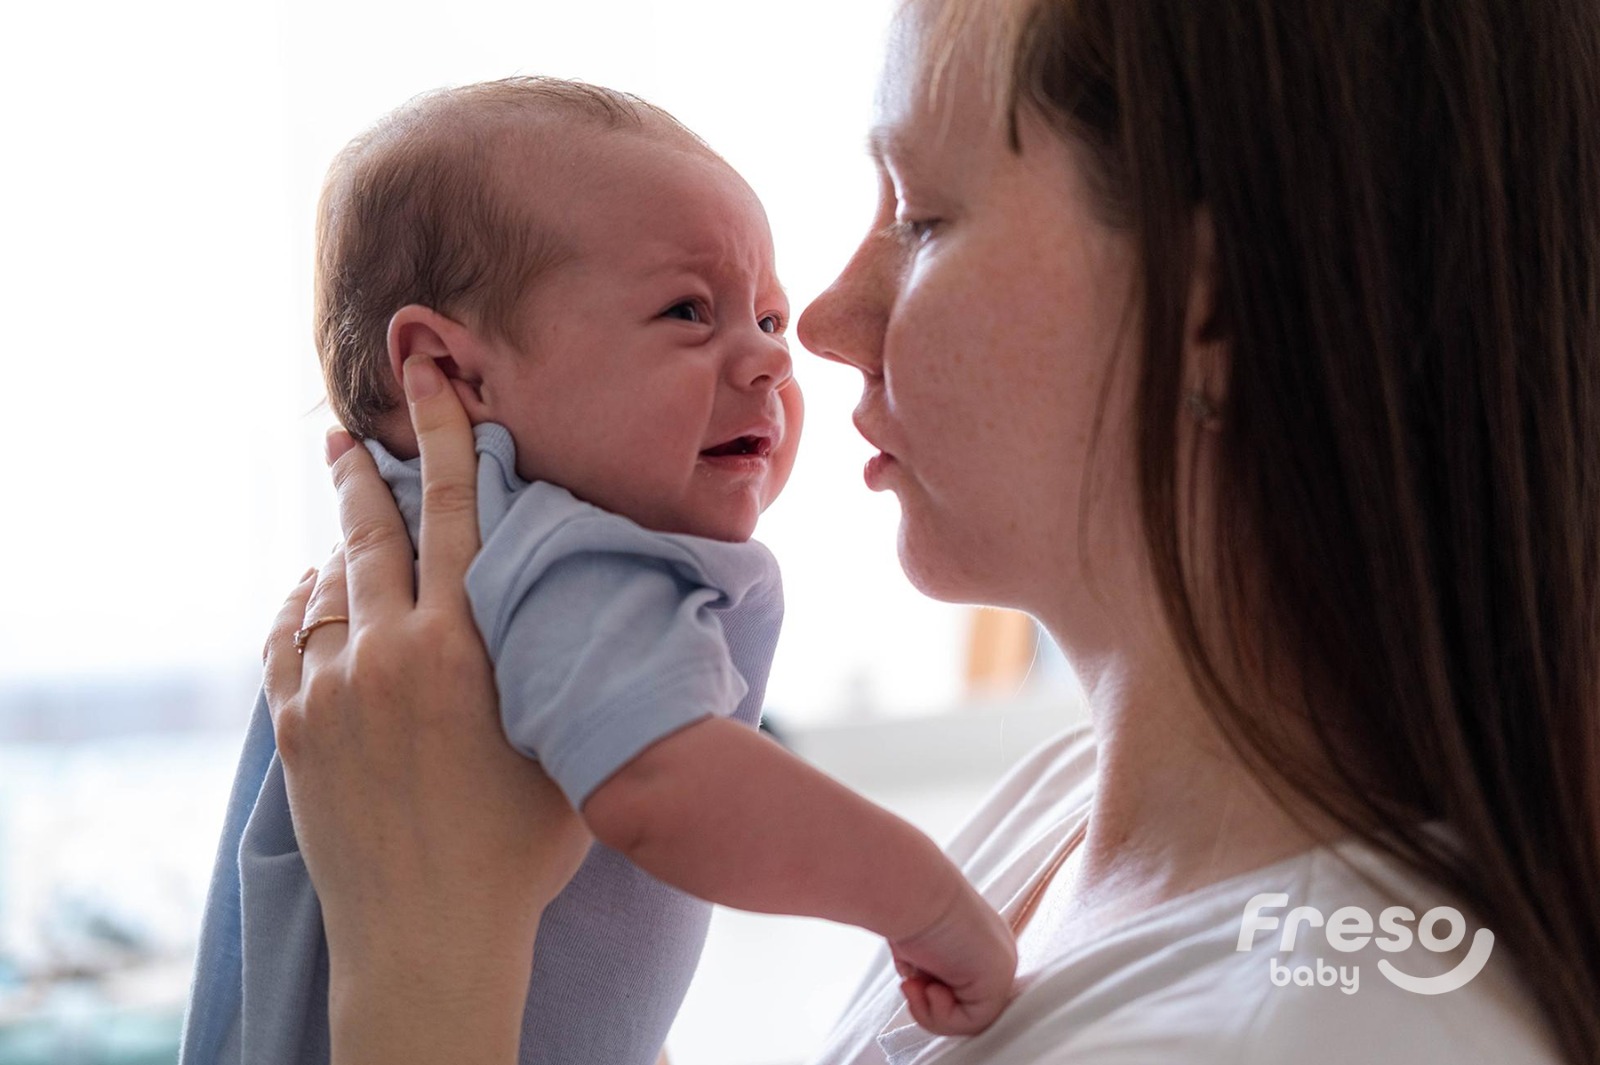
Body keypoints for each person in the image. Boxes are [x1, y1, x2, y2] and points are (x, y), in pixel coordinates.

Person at [256, 0, 1600, 1062]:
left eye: (922, 217)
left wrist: (425, 975)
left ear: (1214, 300)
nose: (820, 332)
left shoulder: (1306, 1027)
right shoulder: (1061, 823)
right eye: (687, 313)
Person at [181, 78, 1017, 1065]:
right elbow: (667, 788)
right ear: (452, 375)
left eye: (769, 319)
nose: (767, 364)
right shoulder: (555, 547)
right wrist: (928, 900)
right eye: (686, 312)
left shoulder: (430, 565)